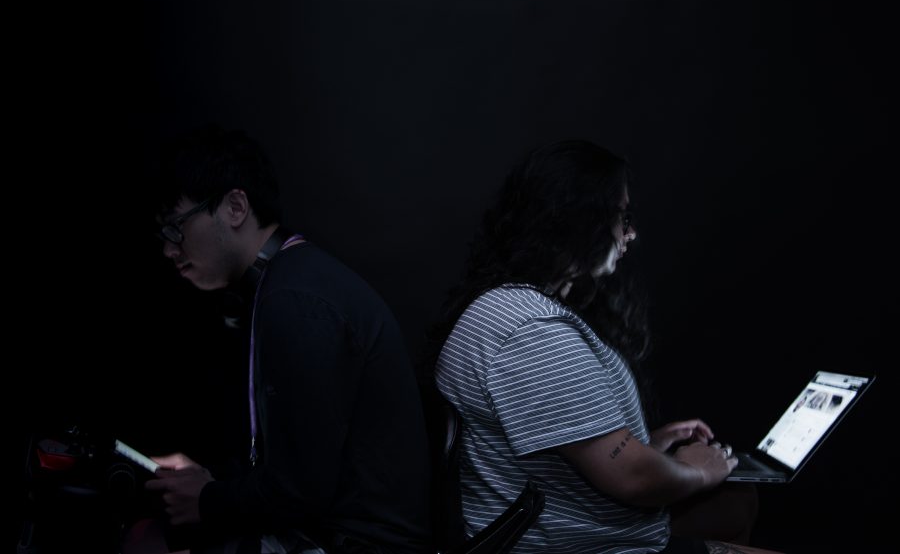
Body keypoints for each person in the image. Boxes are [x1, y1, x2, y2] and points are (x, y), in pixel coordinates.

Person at [432, 140, 782, 554]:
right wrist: (701, 469)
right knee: (727, 493)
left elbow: (561, 458)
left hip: (577, 529)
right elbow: (635, 479)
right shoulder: (531, 330)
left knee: (736, 503)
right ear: (579, 220)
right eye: (622, 217)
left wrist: (642, 443)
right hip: (581, 548)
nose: (630, 233)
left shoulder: (512, 306)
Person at [128, 126, 432, 554]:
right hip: (335, 529)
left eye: (175, 228)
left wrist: (208, 497)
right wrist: (207, 478)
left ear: (235, 207)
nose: (168, 250)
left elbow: (300, 491)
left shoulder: (295, 300)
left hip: (353, 544)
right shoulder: (288, 280)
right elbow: (297, 464)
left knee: (146, 543)